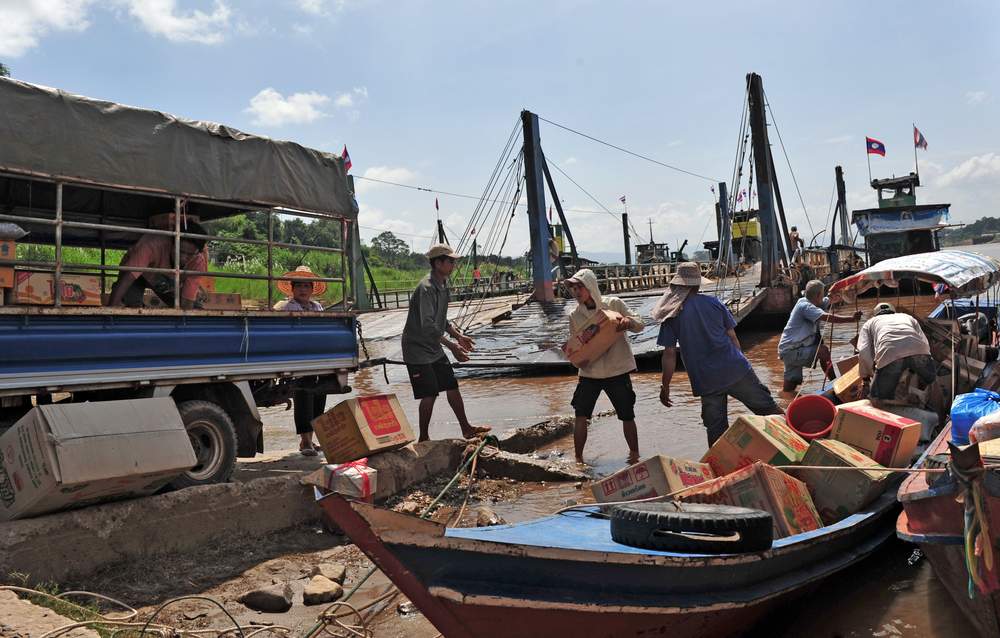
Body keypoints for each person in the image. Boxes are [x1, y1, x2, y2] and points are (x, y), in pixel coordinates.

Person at [656, 262, 781, 446]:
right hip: (736, 369)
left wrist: (665, 386)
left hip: (706, 380)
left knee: (716, 431)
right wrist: (742, 364)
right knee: (769, 411)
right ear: (697, 284)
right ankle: (799, 442)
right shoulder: (713, 303)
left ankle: (719, 463)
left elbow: (669, 354)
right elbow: (732, 337)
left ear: (677, 285)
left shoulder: (671, 315)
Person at [402, 244, 491, 441]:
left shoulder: (442, 286)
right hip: (417, 349)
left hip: (433, 345)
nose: (453, 265)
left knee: (451, 385)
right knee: (430, 393)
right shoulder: (426, 288)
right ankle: (424, 438)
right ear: (438, 263)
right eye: (450, 261)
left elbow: (441, 320)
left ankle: (466, 428)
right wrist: (452, 346)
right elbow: (427, 326)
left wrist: (458, 336)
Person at [565, 268, 644, 464]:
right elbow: (576, 346)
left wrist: (628, 322)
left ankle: (634, 457)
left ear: (590, 286)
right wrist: (578, 360)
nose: (576, 292)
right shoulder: (574, 315)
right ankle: (578, 460)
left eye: (580, 287)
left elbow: (640, 323)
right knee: (580, 415)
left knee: (627, 415)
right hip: (589, 372)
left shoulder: (614, 304)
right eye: (573, 288)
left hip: (616, 369)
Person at [273, 266, 326, 455]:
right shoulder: (286, 307)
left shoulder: (317, 307)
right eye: (299, 286)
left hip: (317, 357)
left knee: (320, 394)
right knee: (303, 395)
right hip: (297, 358)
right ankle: (306, 441)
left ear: (312, 289)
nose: (303, 290)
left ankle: (310, 440)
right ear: (292, 289)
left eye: (306, 286)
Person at [778, 280, 863, 392]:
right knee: (823, 351)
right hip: (792, 351)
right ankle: (836, 383)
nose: (823, 298)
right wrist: (852, 319)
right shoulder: (806, 307)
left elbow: (828, 300)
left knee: (790, 387)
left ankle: (784, 399)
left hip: (788, 350)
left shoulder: (804, 301)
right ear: (818, 295)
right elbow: (828, 317)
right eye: (822, 295)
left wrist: (837, 295)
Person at [107, 222, 209, 309]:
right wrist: (110, 310)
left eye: (189, 254)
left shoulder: (198, 261)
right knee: (131, 305)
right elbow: (127, 279)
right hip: (138, 276)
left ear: (197, 252)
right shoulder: (152, 245)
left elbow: (187, 300)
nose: (183, 258)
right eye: (180, 251)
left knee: (194, 307)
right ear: (172, 243)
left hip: (164, 278)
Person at [857, 302, 937, 403]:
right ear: (894, 311)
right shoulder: (907, 317)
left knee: (876, 399)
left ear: (875, 314)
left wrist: (866, 378)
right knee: (930, 380)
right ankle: (929, 403)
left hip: (890, 354)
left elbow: (863, 351)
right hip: (921, 351)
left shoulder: (869, 323)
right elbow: (924, 341)